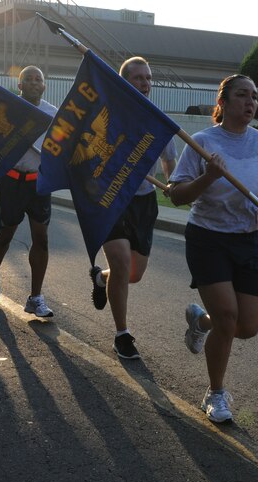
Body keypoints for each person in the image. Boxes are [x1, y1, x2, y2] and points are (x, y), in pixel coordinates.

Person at [168, 74, 258, 423]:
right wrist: (208, 177)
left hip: (246, 238)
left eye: (254, 96)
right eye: (241, 95)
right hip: (208, 238)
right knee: (229, 318)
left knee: (247, 326)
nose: (250, 102)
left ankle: (200, 321)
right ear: (222, 103)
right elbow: (176, 195)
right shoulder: (202, 142)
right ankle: (215, 393)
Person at [89, 56, 177, 359]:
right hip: (111, 198)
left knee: (133, 274)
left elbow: (168, 162)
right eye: (138, 78)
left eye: (149, 78)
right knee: (123, 261)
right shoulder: (108, 116)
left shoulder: (159, 120)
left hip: (145, 201)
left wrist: (173, 182)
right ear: (123, 82)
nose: (145, 83)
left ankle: (103, 277)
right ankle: (122, 334)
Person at [0, 65, 58, 317]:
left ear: (44, 86)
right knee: (6, 234)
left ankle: (35, 297)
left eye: (39, 79)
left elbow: (60, 146)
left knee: (42, 237)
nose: (34, 82)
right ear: (20, 85)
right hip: (10, 181)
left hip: (38, 183)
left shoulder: (51, 114)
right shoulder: (8, 107)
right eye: (29, 79)